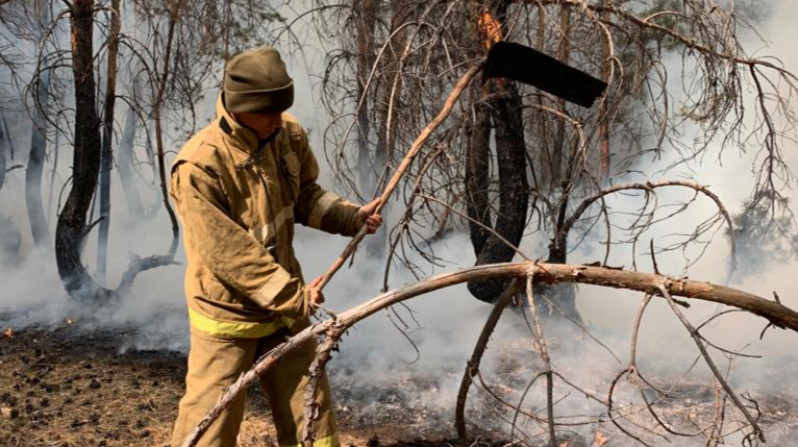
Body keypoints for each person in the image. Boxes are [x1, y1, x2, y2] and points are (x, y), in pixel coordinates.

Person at [169, 45, 382, 447]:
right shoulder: (200, 166)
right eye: (267, 112)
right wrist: (293, 297)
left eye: (281, 110)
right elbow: (230, 255)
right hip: (228, 319)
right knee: (209, 425)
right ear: (236, 107)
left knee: (312, 420)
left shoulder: (287, 134)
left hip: (286, 313)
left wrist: (349, 216)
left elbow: (305, 195)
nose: (276, 120)